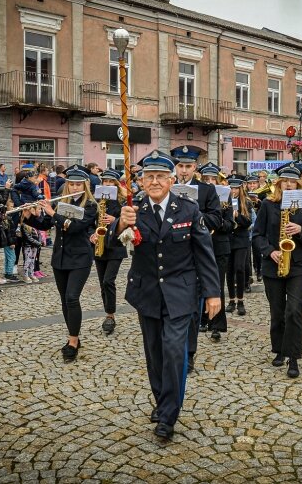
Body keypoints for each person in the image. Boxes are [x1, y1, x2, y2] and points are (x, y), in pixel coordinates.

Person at [111, 150, 220, 440]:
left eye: (160, 176)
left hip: (181, 293)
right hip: (147, 293)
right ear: (142, 181)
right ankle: (162, 401)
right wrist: (121, 223)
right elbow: (112, 243)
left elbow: (204, 254)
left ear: (172, 180)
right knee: (155, 355)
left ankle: (168, 415)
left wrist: (213, 293)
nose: (155, 181)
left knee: (174, 352)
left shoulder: (188, 209)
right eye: (149, 177)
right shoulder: (134, 210)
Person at [252, 163, 302, 379]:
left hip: (297, 265)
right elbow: (257, 235)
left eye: (293, 182)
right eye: (285, 181)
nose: (289, 185)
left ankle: (293, 357)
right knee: (277, 312)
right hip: (273, 264)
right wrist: (270, 252)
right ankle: (278, 349)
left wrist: (300, 230)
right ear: (279, 183)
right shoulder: (268, 205)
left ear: (299, 184)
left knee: (294, 310)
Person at [170, 145, 221, 373]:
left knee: (192, 309)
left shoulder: (207, 190)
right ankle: (172, 348)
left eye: (188, 166)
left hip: (195, 252)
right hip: (173, 252)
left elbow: (217, 218)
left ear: (195, 167)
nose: (183, 170)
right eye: (180, 166)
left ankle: (189, 353)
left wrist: (194, 214)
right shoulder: (168, 187)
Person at [39, 167, 98, 361]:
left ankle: (73, 340)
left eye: (78, 184)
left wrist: (52, 213)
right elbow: (47, 225)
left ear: (84, 185)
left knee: (72, 297)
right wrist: (31, 215)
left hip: (80, 257)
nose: (74, 187)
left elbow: (75, 227)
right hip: (60, 257)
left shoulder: (89, 205)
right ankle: (74, 334)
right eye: (71, 184)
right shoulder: (61, 202)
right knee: (65, 299)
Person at [197, 162, 232, 340]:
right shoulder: (200, 195)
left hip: (219, 246)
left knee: (217, 285)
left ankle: (217, 324)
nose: (210, 182)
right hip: (202, 245)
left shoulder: (225, 198)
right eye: (206, 179)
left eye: (213, 179)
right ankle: (202, 318)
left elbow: (230, 224)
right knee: (200, 284)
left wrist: (217, 224)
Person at [91, 168, 128, 335]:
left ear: (116, 184)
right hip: (99, 246)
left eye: (111, 181)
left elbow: (130, 222)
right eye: (105, 181)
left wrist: (117, 220)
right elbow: (88, 223)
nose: (107, 184)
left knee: (108, 281)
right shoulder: (95, 201)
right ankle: (108, 314)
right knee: (102, 283)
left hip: (115, 247)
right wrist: (91, 234)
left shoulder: (122, 201)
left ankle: (111, 314)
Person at [225, 176, 252, 317]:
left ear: (240, 189)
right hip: (228, 239)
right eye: (231, 188)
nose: (233, 190)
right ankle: (231, 300)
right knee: (229, 270)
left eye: (236, 188)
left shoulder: (246, 202)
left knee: (240, 268)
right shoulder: (224, 202)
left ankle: (240, 300)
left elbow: (248, 222)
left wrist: (238, 216)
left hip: (241, 240)